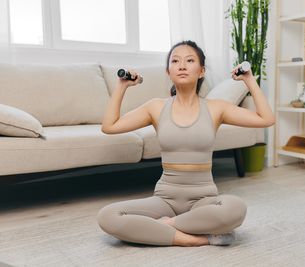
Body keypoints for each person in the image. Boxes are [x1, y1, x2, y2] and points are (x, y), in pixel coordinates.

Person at [97, 40, 275, 247]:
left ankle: (167, 226)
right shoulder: (155, 107)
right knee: (107, 216)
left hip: (204, 199)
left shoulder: (216, 108)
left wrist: (249, 80)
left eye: (190, 60)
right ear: (168, 72)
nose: (182, 65)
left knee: (235, 208)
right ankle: (196, 238)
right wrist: (122, 86)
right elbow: (109, 126)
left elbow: (266, 119)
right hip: (164, 199)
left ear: (201, 71)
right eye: (175, 61)